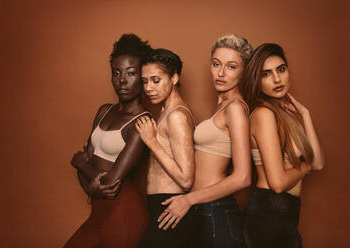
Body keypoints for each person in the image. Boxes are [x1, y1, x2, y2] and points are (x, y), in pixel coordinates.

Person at [156, 34, 253, 248]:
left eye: (231, 67)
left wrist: (188, 199)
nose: (220, 73)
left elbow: (243, 177)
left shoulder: (235, 108)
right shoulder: (222, 106)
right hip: (204, 209)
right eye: (216, 64)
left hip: (217, 212)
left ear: (244, 71)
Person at [65, 33, 152, 248]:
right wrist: (92, 190)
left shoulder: (142, 123)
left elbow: (111, 183)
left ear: (142, 76)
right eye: (116, 73)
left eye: (131, 73)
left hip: (124, 213)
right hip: (99, 210)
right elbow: (91, 167)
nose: (122, 80)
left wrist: (81, 163)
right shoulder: (104, 111)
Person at [241, 43, 325, 248]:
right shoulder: (264, 115)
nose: (277, 79)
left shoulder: (285, 114)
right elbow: (278, 183)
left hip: (286, 213)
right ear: (256, 81)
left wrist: (305, 115)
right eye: (266, 74)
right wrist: (306, 165)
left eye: (281, 69)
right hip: (269, 212)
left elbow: (319, 163)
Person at [135, 48, 197, 248]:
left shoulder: (176, 116)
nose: (148, 88)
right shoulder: (166, 112)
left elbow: (186, 179)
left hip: (172, 209)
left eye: (156, 80)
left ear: (174, 78)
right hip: (161, 207)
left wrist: (151, 142)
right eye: (144, 81)